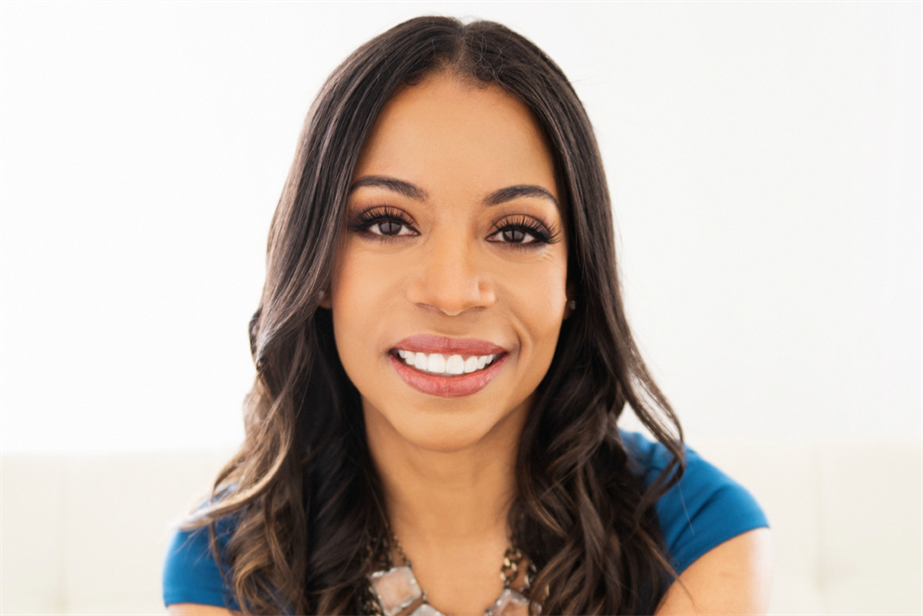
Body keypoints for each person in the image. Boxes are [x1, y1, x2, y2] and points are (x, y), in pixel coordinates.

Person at [163, 16, 771, 616]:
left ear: (575, 278)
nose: (452, 293)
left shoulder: (701, 535)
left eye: (514, 232)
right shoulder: (223, 566)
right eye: (387, 223)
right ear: (316, 267)